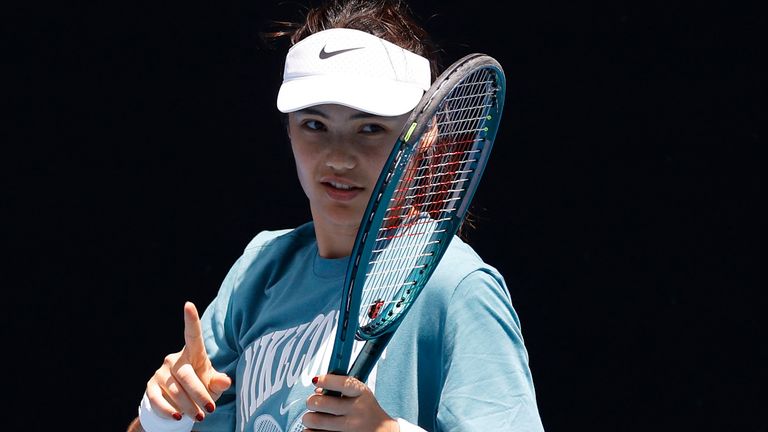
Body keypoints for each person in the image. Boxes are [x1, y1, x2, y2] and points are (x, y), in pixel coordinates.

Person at [127, 0, 545, 431]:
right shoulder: (259, 270)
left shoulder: (458, 286)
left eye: (370, 128)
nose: (339, 157)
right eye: (314, 124)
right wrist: (162, 414)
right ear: (288, 129)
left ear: (422, 139)